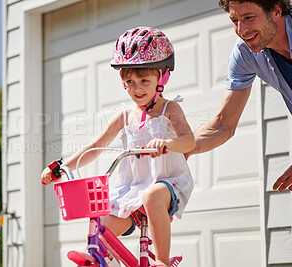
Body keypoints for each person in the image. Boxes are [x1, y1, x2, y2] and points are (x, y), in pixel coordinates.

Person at [41, 27, 195, 267]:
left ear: (162, 77)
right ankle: (98, 258)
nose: (137, 88)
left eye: (145, 80)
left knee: (152, 195)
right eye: (130, 82)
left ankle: (163, 261)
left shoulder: (170, 109)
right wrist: (61, 167)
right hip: (131, 188)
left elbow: (189, 140)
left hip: (168, 183)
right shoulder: (123, 116)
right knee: (101, 227)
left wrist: (168, 143)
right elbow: (95, 147)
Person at [185, 0, 292, 193]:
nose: (241, 30)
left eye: (249, 18)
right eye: (234, 20)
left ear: (276, 10)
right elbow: (224, 124)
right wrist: (184, 147)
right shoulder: (245, 53)